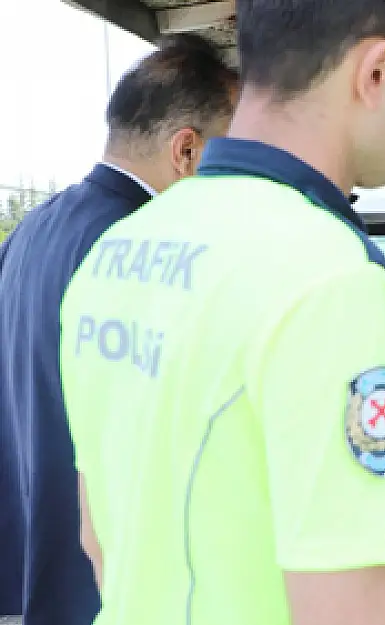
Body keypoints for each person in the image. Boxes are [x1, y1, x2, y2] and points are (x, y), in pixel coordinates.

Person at [55, 2, 385, 624]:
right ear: (376, 71)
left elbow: (100, 540)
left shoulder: (118, 249)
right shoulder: (333, 277)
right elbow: (345, 605)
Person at [0, 34, 238, 625]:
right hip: (106, 584)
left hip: (26, 561)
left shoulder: (31, 231)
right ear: (187, 151)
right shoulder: (147, 251)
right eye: (234, 157)